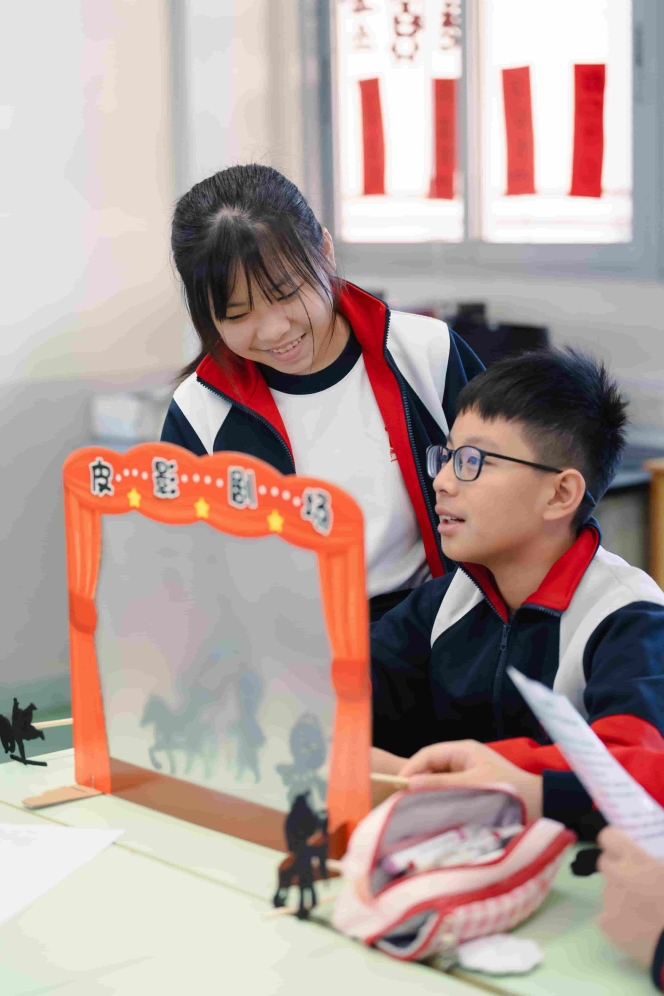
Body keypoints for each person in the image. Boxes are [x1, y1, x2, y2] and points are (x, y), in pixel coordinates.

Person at [161, 164, 483, 621]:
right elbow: (185, 568)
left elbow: (508, 494)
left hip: (437, 629)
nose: (273, 330)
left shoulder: (426, 352)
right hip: (285, 647)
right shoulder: (199, 409)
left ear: (325, 252)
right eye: (237, 315)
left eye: (286, 293)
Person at [370, 348, 664, 831]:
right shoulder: (443, 604)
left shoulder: (629, 619)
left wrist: (505, 774)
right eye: (447, 457)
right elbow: (341, 700)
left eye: (472, 461)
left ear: (560, 494)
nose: (442, 482)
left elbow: (641, 770)